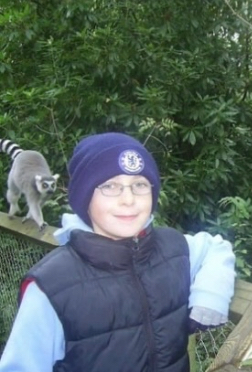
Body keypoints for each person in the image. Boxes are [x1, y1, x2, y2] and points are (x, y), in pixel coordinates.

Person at [0, 132, 236, 372]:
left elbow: (215, 248)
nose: (128, 199)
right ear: (84, 197)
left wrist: (211, 294)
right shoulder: (49, 287)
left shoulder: (173, 247)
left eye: (140, 185)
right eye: (110, 186)